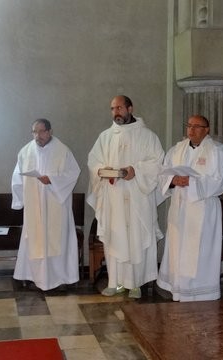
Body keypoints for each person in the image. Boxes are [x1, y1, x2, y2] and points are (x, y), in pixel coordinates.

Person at [87, 95, 164, 299]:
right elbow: (93, 162)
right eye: (112, 108)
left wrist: (135, 171)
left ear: (130, 108)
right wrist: (104, 172)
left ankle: (136, 284)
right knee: (115, 237)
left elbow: (157, 163)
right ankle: (115, 282)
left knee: (136, 237)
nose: (116, 112)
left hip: (138, 197)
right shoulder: (105, 137)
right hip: (113, 198)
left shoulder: (148, 136)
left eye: (119, 108)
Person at [157, 115, 223, 302]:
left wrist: (191, 182)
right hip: (180, 207)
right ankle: (178, 289)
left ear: (207, 130)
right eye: (189, 125)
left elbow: (220, 181)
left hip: (203, 210)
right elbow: (163, 174)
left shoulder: (218, 151)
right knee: (179, 249)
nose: (191, 130)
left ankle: (200, 292)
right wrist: (173, 180)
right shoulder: (176, 149)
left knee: (199, 251)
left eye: (197, 126)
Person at [11, 118, 81, 291]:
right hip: (34, 207)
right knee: (34, 240)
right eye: (34, 132)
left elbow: (73, 173)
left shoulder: (62, 150)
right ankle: (33, 278)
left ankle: (60, 279)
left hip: (56, 205)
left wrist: (53, 180)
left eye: (41, 131)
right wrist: (19, 201)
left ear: (50, 131)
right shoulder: (26, 151)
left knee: (57, 241)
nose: (37, 136)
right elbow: (17, 179)